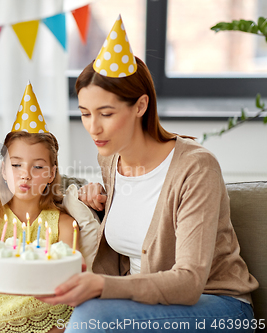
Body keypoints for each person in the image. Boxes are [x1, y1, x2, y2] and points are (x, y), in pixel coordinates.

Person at [38, 16, 259, 333]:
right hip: (145, 306)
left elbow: (189, 283)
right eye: (85, 113)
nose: (93, 127)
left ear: (141, 105)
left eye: (106, 113)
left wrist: (101, 287)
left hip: (217, 306)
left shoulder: (195, 168)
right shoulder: (110, 160)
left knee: (92, 319)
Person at [0, 83, 79, 333]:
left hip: (42, 300)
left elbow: (67, 278)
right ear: (3, 170)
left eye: (37, 167)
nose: (25, 175)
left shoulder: (65, 224)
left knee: (64, 313)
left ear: (51, 174)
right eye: (16, 165)